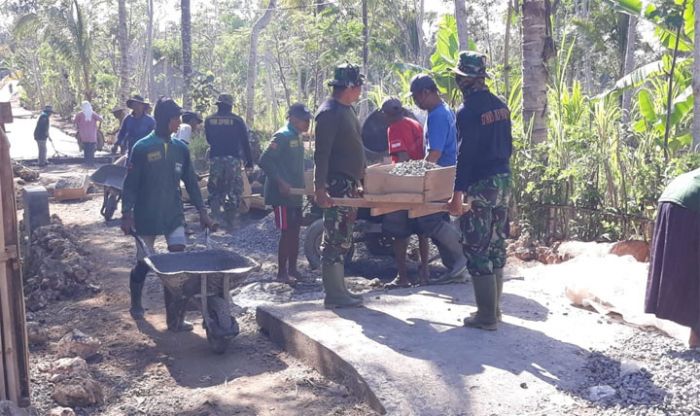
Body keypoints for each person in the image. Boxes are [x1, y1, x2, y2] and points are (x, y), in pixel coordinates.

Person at [120, 96, 215, 331]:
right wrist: (126, 213)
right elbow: (130, 184)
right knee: (145, 262)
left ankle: (174, 319)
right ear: (165, 120)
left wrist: (203, 212)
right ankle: (136, 303)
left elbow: (191, 183)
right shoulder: (141, 148)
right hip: (146, 214)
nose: (178, 123)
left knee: (176, 266)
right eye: (175, 119)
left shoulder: (180, 149)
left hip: (173, 214)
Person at [445, 51, 513, 331]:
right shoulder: (501, 106)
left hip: (481, 185)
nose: (457, 83)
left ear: (466, 80)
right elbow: (509, 146)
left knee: (476, 246)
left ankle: (485, 315)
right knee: (496, 244)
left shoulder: (468, 112)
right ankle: (494, 310)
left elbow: (466, 155)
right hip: (504, 181)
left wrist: (457, 193)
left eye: (459, 78)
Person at [314, 63, 366, 308]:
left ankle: (340, 290)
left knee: (343, 237)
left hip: (348, 183)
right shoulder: (329, 113)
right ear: (349, 87)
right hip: (336, 185)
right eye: (358, 86)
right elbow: (321, 154)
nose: (360, 90)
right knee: (334, 238)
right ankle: (334, 294)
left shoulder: (348, 110)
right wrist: (320, 187)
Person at [409, 74, 468, 285]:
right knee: (440, 219)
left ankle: (462, 256)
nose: (415, 102)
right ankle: (455, 267)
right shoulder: (443, 111)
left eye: (416, 97)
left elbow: (434, 152)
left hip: (441, 173)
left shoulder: (437, 116)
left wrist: (416, 174)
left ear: (426, 93)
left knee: (429, 220)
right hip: (446, 172)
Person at [645, 168, 700, 349]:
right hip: (691, 204)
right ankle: (696, 339)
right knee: (694, 272)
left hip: (673, 196)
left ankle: (695, 338)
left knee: (685, 269)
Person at [259, 103, 312, 285]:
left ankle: (293, 269)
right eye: (305, 121)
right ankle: (281, 273)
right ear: (294, 119)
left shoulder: (297, 136)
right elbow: (264, 160)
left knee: (295, 231)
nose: (308, 124)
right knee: (286, 231)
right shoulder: (282, 136)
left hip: (295, 193)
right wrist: (280, 181)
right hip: (281, 194)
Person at [379, 98, 429, 289]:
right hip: (423, 181)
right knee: (422, 231)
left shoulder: (395, 128)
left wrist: (390, 180)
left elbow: (402, 158)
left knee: (399, 232)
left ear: (386, 115)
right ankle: (425, 272)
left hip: (406, 185)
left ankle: (403, 277)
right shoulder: (414, 123)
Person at [205, 93, 253, 227]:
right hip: (233, 160)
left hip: (215, 159)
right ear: (230, 106)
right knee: (233, 190)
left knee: (215, 189)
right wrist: (249, 161)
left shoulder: (209, 120)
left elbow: (208, 139)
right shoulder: (237, 120)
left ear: (218, 105)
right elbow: (245, 142)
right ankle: (230, 221)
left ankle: (214, 219)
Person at [74, 101, 103, 166]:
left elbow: (75, 121)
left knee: (86, 149)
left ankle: (86, 162)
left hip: (84, 136)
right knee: (91, 150)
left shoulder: (80, 114)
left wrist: (78, 127)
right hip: (92, 136)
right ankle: (91, 162)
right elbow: (101, 119)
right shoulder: (93, 114)